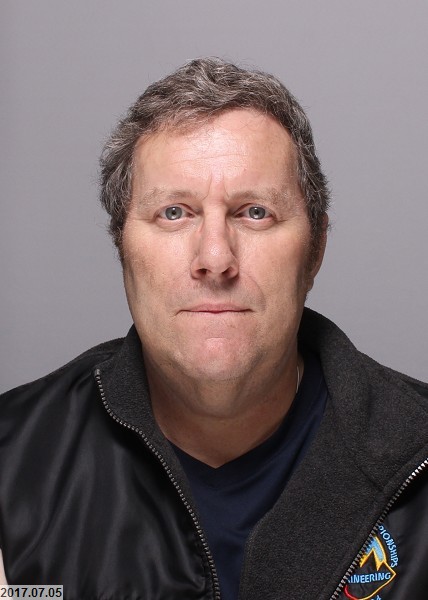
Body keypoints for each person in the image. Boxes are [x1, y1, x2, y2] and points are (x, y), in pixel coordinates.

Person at [0, 58, 427, 600]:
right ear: (122, 246)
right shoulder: (12, 462)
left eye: (255, 213)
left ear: (315, 250)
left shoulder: (419, 454)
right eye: (174, 213)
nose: (216, 259)